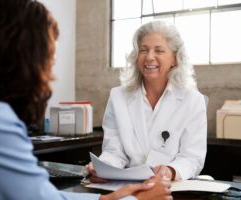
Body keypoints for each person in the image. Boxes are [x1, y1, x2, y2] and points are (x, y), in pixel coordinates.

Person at [0, 1, 173, 200]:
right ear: (20, 57)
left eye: (159, 50)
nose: (51, 69)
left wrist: (106, 199)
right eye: (48, 57)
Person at [87, 21, 207, 182]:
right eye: (143, 50)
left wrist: (170, 171)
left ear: (175, 59)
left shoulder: (193, 100)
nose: (149, 57)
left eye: (159, 50)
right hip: (126, 186)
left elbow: (192, 158)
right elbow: (114, 151)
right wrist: (102, 166)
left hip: (169, 188)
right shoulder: (118, 97)